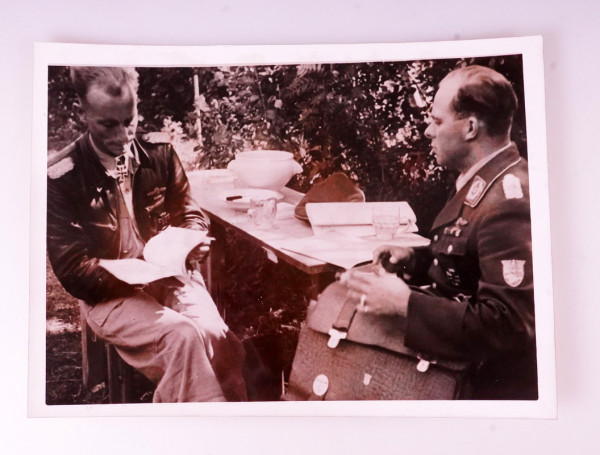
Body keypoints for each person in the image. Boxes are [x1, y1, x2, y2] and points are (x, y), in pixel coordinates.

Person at [47, 67, 247, 402]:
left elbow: (190, 214)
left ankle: (229, 417)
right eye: (108, 124)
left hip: (171, 277)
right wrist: (133, 273)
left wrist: (190, 244)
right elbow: (71, 270)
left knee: (214, 335)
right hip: (109, 295)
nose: (123, 136)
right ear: (85, 113)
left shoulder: (158, 153)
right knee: (182, 338)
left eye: (130, 120)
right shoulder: (62, 177)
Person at [342, 65, 537, 400]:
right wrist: (414, 260)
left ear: (471, 128)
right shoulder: (485, 177)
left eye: (437, 121)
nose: (427, 131)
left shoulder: (508, 200)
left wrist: (405, 304)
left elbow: (511, 325)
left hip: (486, 389)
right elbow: (470, 259)